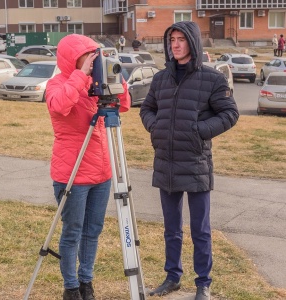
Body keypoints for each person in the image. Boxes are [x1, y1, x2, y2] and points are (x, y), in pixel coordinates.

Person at [140, 21, 239, 300]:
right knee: (171, 229)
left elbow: (230, 114)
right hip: (167, 164)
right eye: (172, 39)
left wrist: (199, 131)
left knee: (200, 230)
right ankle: (172, 277)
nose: (175, 44)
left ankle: (203, 283)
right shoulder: (161, 79)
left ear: (192, 43)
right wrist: (155, 126)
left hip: (196, 164)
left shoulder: (213, 79)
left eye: (181, 39)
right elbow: (147, 108)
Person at [46, 34, 130, 300]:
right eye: (89, 56)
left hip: (102, 172)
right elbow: (60, 105)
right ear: (73, 59)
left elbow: (124, 105)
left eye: (97, 56)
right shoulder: (57, 83)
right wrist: (81, 75)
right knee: (73, 231)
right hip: (72, 173)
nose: (95, 61)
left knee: (93, 231)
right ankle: (70, 287)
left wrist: (117, 80)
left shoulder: (97, 84)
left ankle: (86, 282)